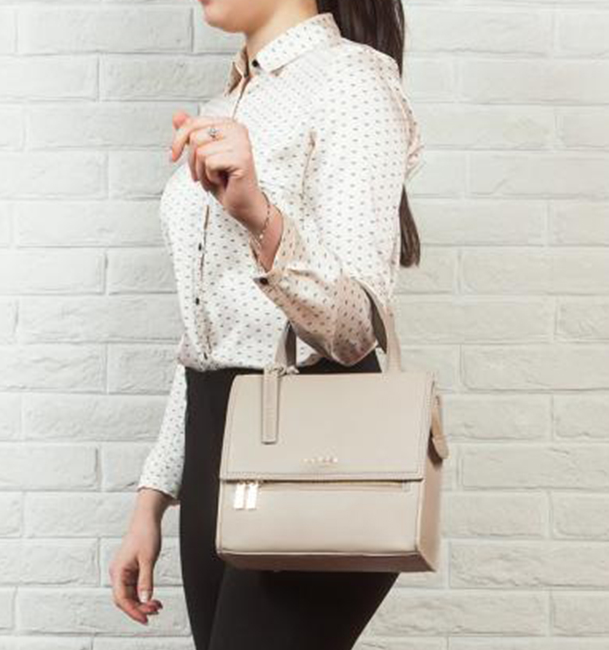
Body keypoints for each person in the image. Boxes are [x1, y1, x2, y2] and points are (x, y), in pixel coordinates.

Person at [109, 0, 424, 647]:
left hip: (315, 448)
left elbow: (353, 330)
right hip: (214, 442)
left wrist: (259, 214)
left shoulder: (352, 79)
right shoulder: (224, 105)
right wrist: (151, 499)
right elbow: (207, 337)